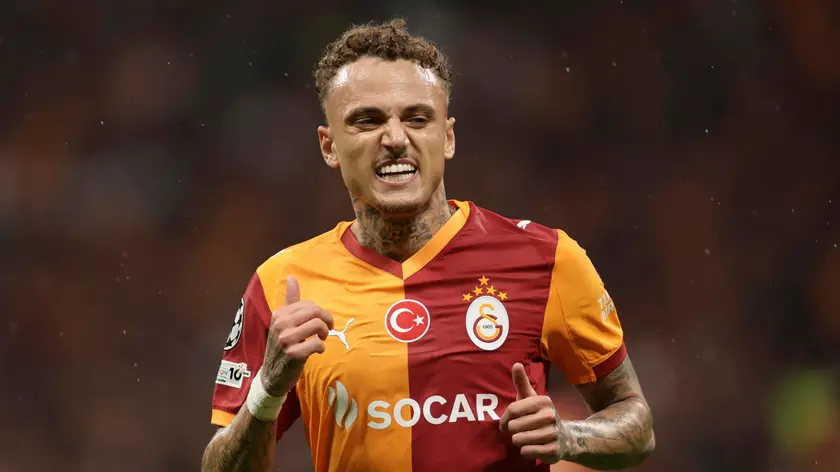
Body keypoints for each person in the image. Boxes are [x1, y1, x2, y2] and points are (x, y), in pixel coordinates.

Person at [201, 18, 655, 472]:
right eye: (367, 121)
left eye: (417, 118)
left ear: (448, 137)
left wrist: (569, 436)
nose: (396, 139)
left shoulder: (547, 258)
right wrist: (267, 389)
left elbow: (636, 425)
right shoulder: (282, 284)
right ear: (329, 146)